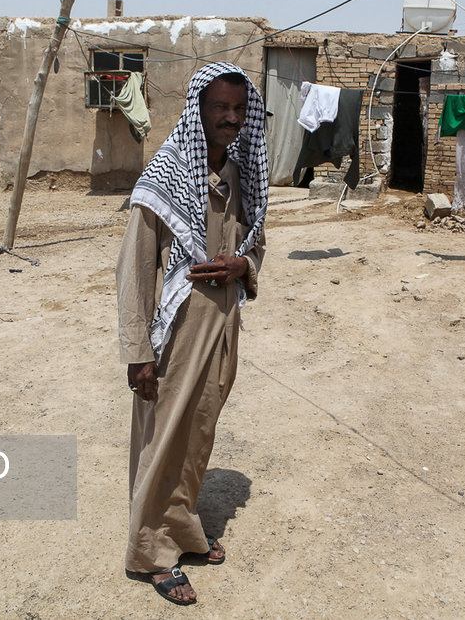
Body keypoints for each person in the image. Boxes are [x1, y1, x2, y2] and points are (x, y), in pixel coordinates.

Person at [115, 61, 268, 605]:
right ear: (198, 112)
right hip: (176, 334)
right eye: (220, 108)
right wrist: (138, 354)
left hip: (224, 328)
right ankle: (149, 553)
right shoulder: (165, 176)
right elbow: (134, 270)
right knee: (164, 440)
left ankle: (181, 533)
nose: (231, 119)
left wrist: (241, 268)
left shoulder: (240, 175)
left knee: (197, 436)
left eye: (239, 109)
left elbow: (257, 249)